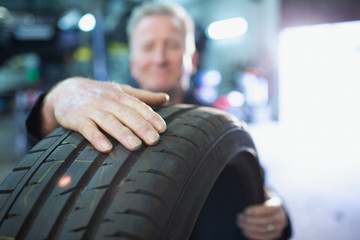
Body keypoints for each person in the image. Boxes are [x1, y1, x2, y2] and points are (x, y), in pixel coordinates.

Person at [26, 2, 291, 239]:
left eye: (173, 45)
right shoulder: (104, 119)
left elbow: (258, 183)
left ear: (193, 59)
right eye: (148, 46)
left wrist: (276, 210)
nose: (160, 58)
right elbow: (44, 179)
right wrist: (56, 99)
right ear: (133, 62)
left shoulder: (224, 124)